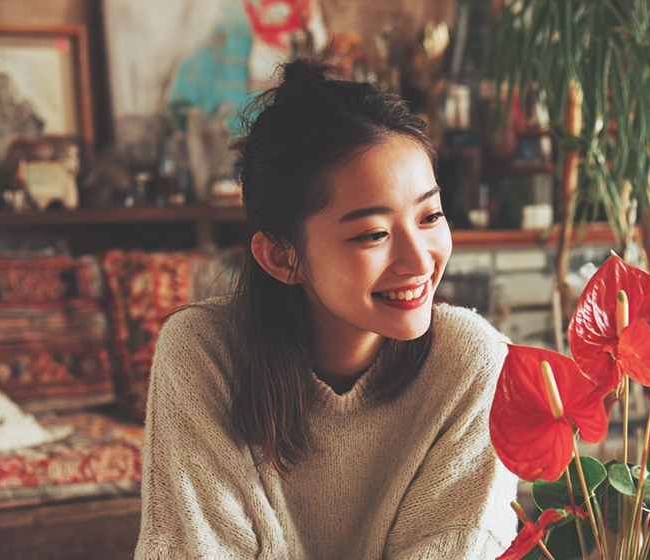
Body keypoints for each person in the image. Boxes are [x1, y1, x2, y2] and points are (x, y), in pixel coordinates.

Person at [134, 59, 517, 560]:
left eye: (431, 215)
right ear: (282, 256)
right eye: (373, 234)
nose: (420, 259)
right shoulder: (202, 353)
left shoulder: (474, 362)